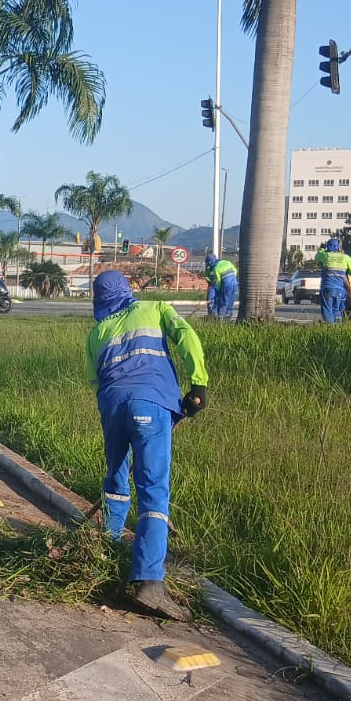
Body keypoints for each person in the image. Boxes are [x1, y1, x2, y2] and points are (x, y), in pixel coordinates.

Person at [86, 270, 208, 622]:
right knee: (153, 491)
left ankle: (103, 559)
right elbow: (185, 336)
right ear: (127, 291)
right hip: (151, 404)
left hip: (112, 409)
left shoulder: (96, 334)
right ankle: (150, 582)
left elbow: (97, 382)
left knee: (116, 480)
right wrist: (197, 384)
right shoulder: (156, 308)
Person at [314, 238, 351, 323]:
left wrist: (322, 249)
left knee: (327, 309)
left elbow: (317, 257)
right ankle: (338, 329)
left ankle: (330, 328)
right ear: (338, 247)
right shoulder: (346, 258)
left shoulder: (326, 256)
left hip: (327, 288)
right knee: (337, 310)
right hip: (340, 290)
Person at [203, 254, 237, 319]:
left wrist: (219, 288)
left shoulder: (216, 268)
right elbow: (235, 271)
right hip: (231, 284)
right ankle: (214, 314)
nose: (208, 264)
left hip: (222, 284)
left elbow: (218, 280)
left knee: (223, 300)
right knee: (214, 300)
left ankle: (222, 316)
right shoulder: (226, 263)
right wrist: (232, 277)